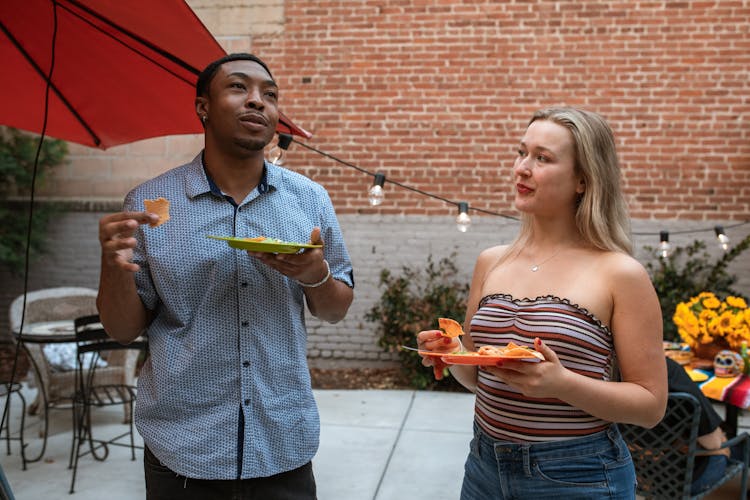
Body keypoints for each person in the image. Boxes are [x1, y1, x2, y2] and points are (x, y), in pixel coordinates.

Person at [97, 53, 354, 499]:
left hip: (283, 442)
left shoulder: (309, 200)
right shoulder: (152, 203)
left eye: (270, 95)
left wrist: (317, 274)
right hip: (183, 448)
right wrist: (112, 265)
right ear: (203, 107)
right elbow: (123, 330)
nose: (258, 101)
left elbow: (335, 310)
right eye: (239, 88)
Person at [417, 107, 667, 499]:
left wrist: (562, 383)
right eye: (521, 153)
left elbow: (651, 406)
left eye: (542, 158)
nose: (521, 168)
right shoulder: (492, 260)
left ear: (583, 180)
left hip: (578, 474)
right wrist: (454, 354)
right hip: (484, 467)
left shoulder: (620, 273)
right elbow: (481, 379)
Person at [665, 357, 736, 495]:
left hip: (639, 478)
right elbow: (714, 444)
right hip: (687, 480)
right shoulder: (670, 371)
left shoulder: (613, 375)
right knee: (737, 445)